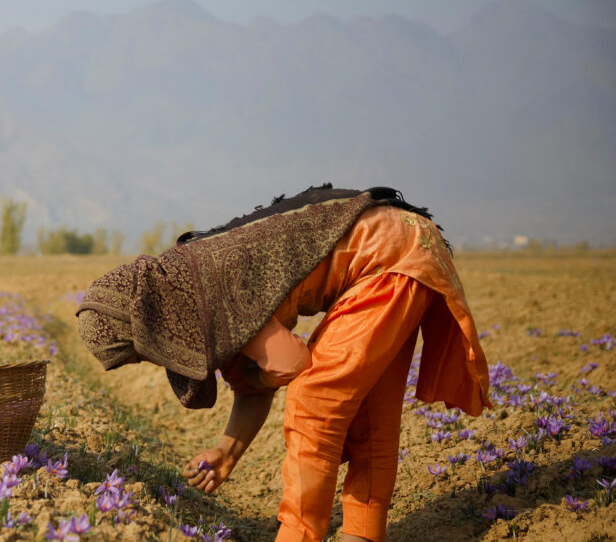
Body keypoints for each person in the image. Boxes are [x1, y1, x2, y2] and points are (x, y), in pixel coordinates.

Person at [76, 185, 490, 542]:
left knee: (315, 399)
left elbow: (291, 363)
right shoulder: (186, 293)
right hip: (404, 248)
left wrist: (264, 368)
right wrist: (227, 451)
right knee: (369, 414)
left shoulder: (205, 290)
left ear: (145, 324)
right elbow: (252, 384)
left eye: (138, 351)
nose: (151, 358)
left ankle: (298, 535)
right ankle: (361, 532)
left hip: (384, 255)